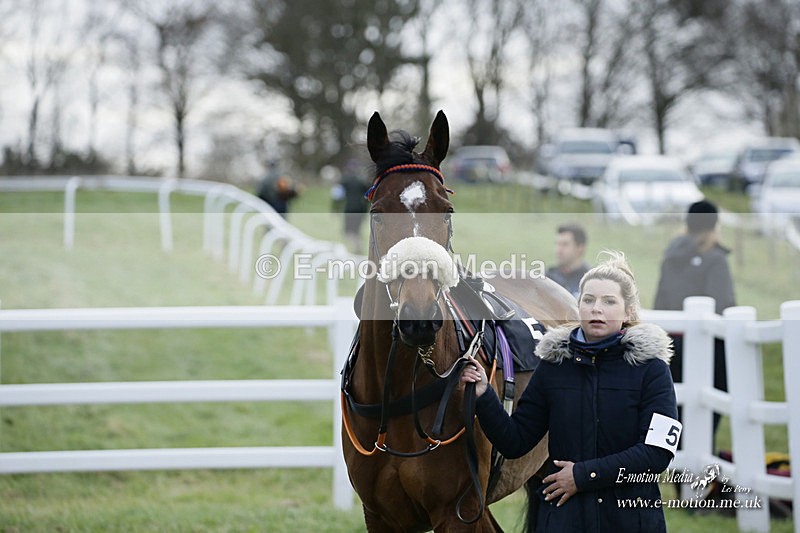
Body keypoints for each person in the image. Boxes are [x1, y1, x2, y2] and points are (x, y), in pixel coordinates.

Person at [462, 251, 679, 532]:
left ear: (628, 313)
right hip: (564, 520)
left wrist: (581, 476)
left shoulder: (653, 370)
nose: (596, 309)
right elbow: (515, 441)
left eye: (608, 301)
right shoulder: (553, 367)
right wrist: (485, 395)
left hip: (629, 520)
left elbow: (657, 454)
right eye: (588, 300)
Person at [654, 199, 735, 451]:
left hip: (670, 348)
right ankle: (697, 485)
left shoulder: (669, 256)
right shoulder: (715, 260)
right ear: (714, 226)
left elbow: (660, 302)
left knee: (671, 423)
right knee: (703, 423)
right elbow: (724, 306)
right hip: (709, 353)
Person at [546, 223, 590, 299]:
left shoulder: (590, 279)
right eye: (557, 244)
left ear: (580, 248)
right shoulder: (548, 277)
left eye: (565, 244)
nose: (559, 249)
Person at [339, 159, 369, 253]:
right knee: (356, 230)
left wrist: (334, 208)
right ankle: (358, 246)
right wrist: (365, 210)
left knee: (348, 231)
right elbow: (367, 197)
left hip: (349, 208)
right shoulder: (362, 181)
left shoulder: (344, 180)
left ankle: (357, 247)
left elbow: (337, 195)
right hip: (360, 208)